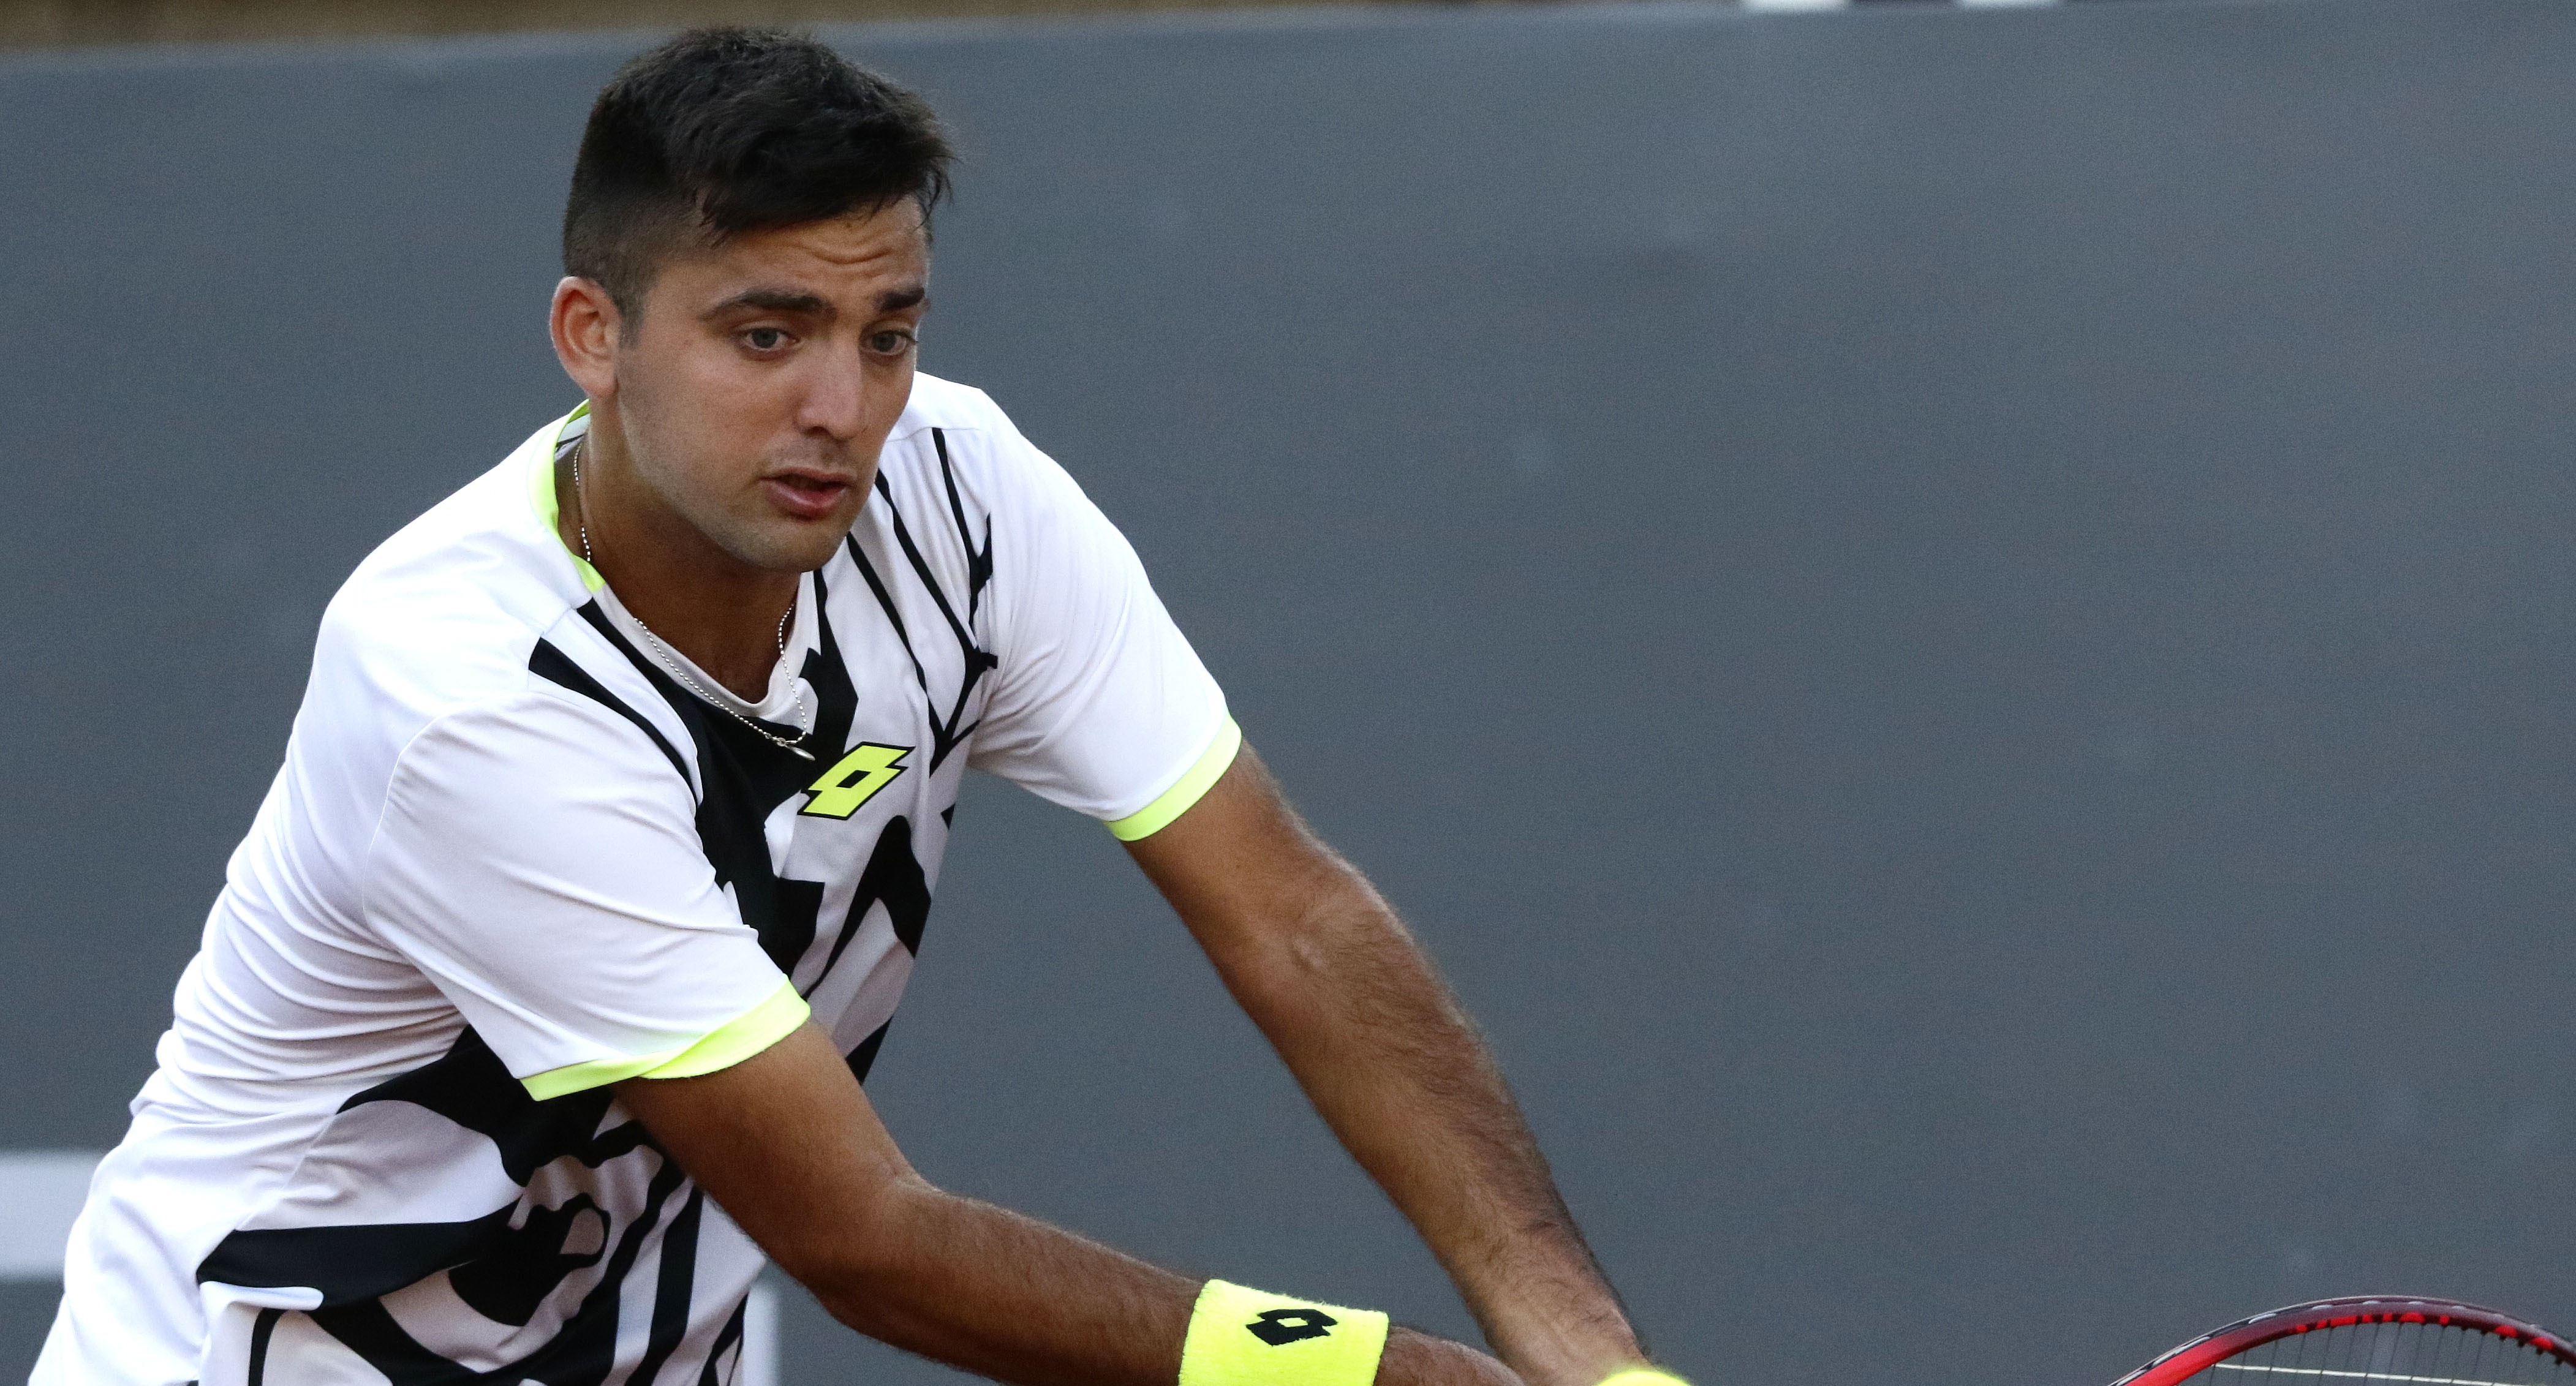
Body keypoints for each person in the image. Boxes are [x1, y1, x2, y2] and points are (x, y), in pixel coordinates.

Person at [34, 28, 1675, 1386]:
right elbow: (863, 1240)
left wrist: (1590, 1360)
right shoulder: (466, 695)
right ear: (591, 339)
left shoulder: (961, 492)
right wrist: (1400, 1379)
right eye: (768, 333)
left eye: (885, 334)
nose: (842, 408)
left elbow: (1294, 920)